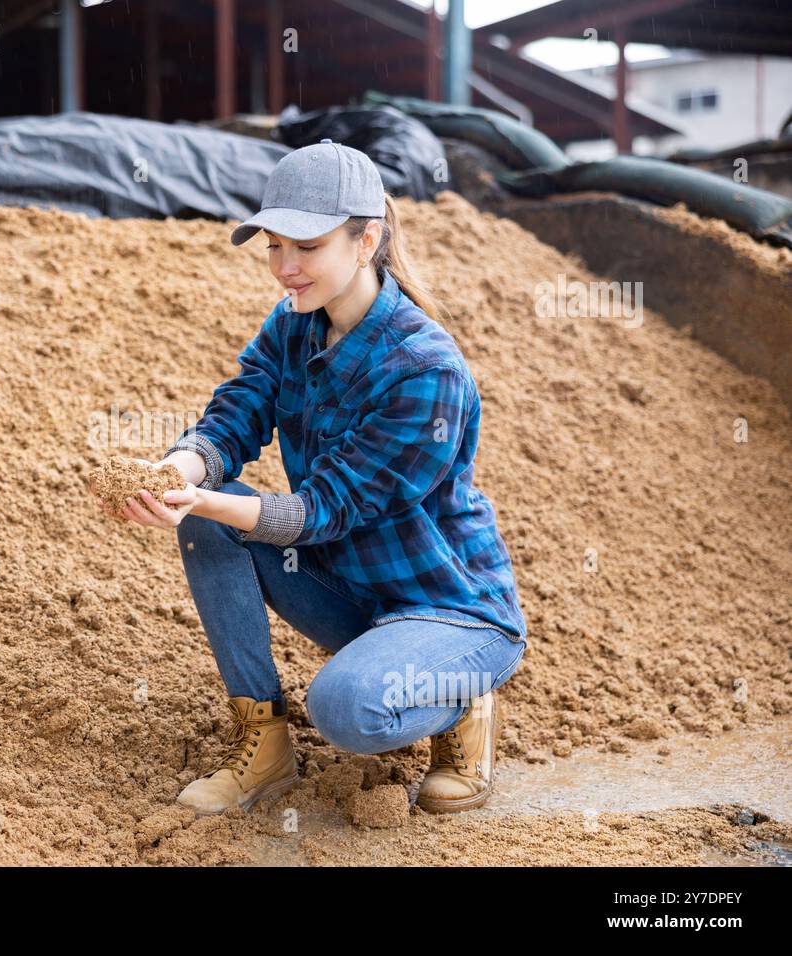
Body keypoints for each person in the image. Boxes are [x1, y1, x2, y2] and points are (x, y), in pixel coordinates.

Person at [91, 139, 528, 818]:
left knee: (346, 710)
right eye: (273, 246)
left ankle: (463, 700)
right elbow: (239, 410)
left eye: (307, 246)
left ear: (366, 240)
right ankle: (262, 747)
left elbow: (329, 507)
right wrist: (176, 471)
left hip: (451, 609)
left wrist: (202, 499)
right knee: (212, 517)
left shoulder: (425, 367)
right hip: (355, 594)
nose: (285, 268)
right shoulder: (294, 323)